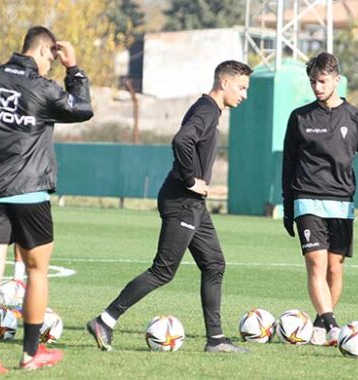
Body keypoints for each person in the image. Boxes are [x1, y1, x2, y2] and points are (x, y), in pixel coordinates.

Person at [86, 60, 252, 354]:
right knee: (163, 271)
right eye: (241, 87)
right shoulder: (206, 109)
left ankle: (215, 340)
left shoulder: (209, 109)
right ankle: (105, 320)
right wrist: (190, 180)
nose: (244, 94)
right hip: (183, 201)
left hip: (193, 205)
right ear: (223, 83)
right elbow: (181, 141)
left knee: (214, 264)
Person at [0, 26, 93, 375]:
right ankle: (30, 354)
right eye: (53, 57)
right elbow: (82, 109)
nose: (53, 64)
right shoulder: (43, 87)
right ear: (46, 51)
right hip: (30, 193)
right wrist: (74, 69)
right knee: (37, 271)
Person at [281, 52, 358, 346]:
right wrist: (288, 206)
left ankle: (321, 322)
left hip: (341, 202)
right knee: (316, 264)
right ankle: (334, 325)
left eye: (322, 81)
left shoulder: (357, 118)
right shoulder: (299, 117)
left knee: (335, 269)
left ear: (337, 80)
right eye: (312, 81)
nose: (317, 87)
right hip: (307, 198)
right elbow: (288, 164)